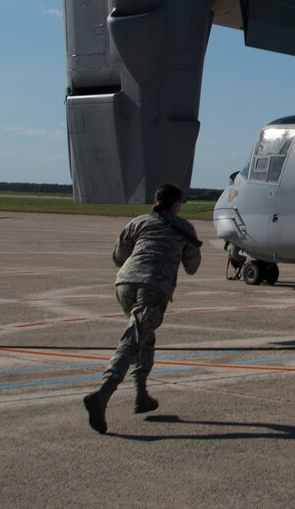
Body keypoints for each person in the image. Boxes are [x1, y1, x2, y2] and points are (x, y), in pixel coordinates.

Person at [82, 182, 202, 433]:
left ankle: (141, 394)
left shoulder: (138, 222)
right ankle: (103, 393)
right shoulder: (184, 228)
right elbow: (192, 266)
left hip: (125, 284)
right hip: (154, 287)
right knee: (133, 340)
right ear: (177, 204)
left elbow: (118, 256)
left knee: (144, 337)